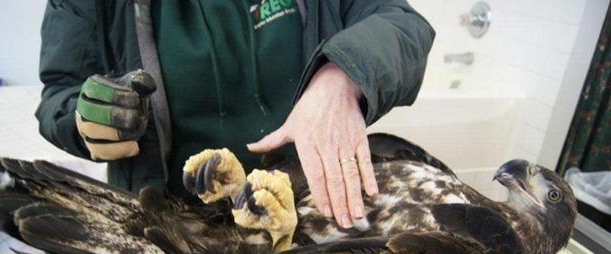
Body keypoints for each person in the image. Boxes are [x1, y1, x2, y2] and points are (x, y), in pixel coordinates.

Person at [35, 0, 435, 229]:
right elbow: (60, 93)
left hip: (313, 215)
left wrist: (342, 76)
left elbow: (402, 24)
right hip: (174, 227)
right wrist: (86, 120)